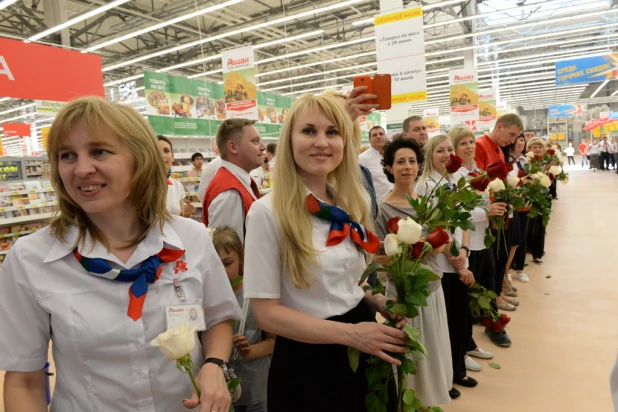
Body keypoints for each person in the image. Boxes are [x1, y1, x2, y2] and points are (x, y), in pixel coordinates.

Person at [0, 97, 243, 412]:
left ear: (139, 159)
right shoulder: (31, 258)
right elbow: (25, 381)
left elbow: (217, 317)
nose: (82, 168)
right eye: (67, 155)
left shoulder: (191, 239)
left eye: (99, 151)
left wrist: (214, 364)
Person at [243, 94, 407, 412]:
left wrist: (375, 300)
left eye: (332, 132)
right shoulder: (267, 213)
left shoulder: (345, 203)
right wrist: (352, 335)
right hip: (310, 362)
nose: (322, 142)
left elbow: (345, 278)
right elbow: (267, 314)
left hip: (362, 342)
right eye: (308, 131)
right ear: (289, 141)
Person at [374, 137, 455, 404]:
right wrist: (405, 255)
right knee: (408, 356)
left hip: (430, 289)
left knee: (431, 349)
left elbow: (442, 244)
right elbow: (376, 256)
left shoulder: (428, 203)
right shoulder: (383, 208)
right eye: (400, 162)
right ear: (389, 168)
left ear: (419, 166)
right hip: (401, 292)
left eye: (412, 161)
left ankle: (427, 403)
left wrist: (437, 245)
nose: (407, 167)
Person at [416, 134, 478, 391]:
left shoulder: (457, 180)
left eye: (449, 150)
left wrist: (464, 250)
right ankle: (445, 377)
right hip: (440, 264)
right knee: (445, 325)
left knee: (459, 320)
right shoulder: (425, 186)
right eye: (440, 150)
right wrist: (459, 264)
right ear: (430, 154)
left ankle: (457, 370)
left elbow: (463, 221)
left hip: (457, 258)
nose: (446, 155)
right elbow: (434, 229)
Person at [447, 127, 501, 363]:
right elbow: (461, 213)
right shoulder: (455, 177)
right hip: (469, 245)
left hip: (482, 240)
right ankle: (465, 346)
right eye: (463, 144)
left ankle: (474, 339)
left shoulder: (477, 171)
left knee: (487, 286)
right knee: (465, 300)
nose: (469, 146)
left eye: (471, 142)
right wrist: (486, 212)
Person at [212, 226, 274, 412]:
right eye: (216, 264)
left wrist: (251, 350)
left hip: (257, 391)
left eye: (228, 263)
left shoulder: (256, 294)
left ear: (242, 260)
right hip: (220, 394)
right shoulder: (207, 297)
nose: (222, 271)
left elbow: (274, 341)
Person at [474, 114, 523, 347]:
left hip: (495, 214)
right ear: (499, 126)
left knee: (495, 262)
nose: (512, 140)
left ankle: (489, 309)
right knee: (489, 267)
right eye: (511, 134)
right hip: (485, 216)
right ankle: (489, 316)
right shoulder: (481, 146)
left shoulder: (498, 149)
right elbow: (480, 183)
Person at [202, 119, 266, 241]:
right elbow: (228, 254)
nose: (263, 147)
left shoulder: (235, 183)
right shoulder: (230, 195)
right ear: (233, 147)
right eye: (255, 141)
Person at [526, 137, 554, 265]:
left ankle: (538, 253)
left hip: (543, 196)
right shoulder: (526, 162)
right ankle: (527, 249)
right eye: (534, 147)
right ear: (529, 149)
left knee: (541, 224)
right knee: (528, 224)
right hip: (528, 195)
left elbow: (551, 179)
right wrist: (546, 168)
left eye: (539, 147)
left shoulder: (548, 161)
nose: (537, 149)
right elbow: (531, 178)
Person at [510, 135, 531, 285]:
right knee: (512, 239)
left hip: (525, 202)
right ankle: (509, 268)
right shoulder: (508, 160)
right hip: (512, 202)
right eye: (516, 140)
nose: (519, 143)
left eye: (522, 140)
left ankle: (520, 269)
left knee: (522, 238)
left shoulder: (526, 161)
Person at [158, 135, 196, 218]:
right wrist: (178, 217)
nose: (162, 155)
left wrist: (186, 214)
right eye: (157, 151)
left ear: (173, 157)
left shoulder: (178, 186)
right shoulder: (144, 186)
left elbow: (182, 214)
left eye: (166, 151)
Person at [358, 125, 393, 202]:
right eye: (374, 135)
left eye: (381, 134)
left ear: (386, 137)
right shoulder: (362, 159)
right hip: (377, 204)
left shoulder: (393, 155)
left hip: (396, 202)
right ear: (370, 140)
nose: (378, 137)